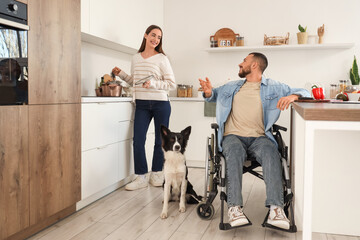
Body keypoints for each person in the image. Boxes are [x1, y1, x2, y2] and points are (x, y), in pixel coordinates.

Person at [199, 52, 310, 229]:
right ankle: (234, 209)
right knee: (234, 152)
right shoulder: (232, 86)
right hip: (233, 136)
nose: (240, 64)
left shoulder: (273, 87)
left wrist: (293, 97)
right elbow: (213, 95)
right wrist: (208, 92)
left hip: (260, 137)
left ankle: (276, 210)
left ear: (254, 66)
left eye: (244, 61)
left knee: (271, 152)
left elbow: (306, 92)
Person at [112, 25, 176, 191]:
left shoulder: (162, 58)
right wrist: (121, 74)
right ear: (146, 35)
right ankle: (141, 177)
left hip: (161, 103)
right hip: (141, 103)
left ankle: (156, 173)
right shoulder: (135, 58)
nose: (156, 39)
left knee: (159, 141)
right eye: (153, 35)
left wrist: (153, 84)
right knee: (138, 140)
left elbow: (171, 84)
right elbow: (135, 81)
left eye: (159, 37)